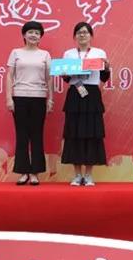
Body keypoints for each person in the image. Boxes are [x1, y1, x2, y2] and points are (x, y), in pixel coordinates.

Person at [61, 22, 111, 187]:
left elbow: (104, 78)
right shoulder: (68, 54)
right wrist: (64, 74)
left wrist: (107, 68)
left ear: (91, 36)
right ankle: (77, 175)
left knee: (91, 133)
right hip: (75, 92)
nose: (82, 35)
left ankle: (88, 175)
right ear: (75, 36)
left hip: (92, 94)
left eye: (85, 32)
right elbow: (66, 78)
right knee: (74, 133)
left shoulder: (99, 53)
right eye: (79, 32)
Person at [6, 20, 53, 186]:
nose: (34, 35)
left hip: (39, 97)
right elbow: (9, 75)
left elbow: (49, 78)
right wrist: (9, 98)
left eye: (37, 33)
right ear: (24, 35)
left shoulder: (45, 54)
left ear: (40, 37)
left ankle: (35, 173)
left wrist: (50, 98)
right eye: (30, 32)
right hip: (19, 97)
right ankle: (23, 171)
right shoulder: (16, 52)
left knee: (37, 135)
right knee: (22, 135)